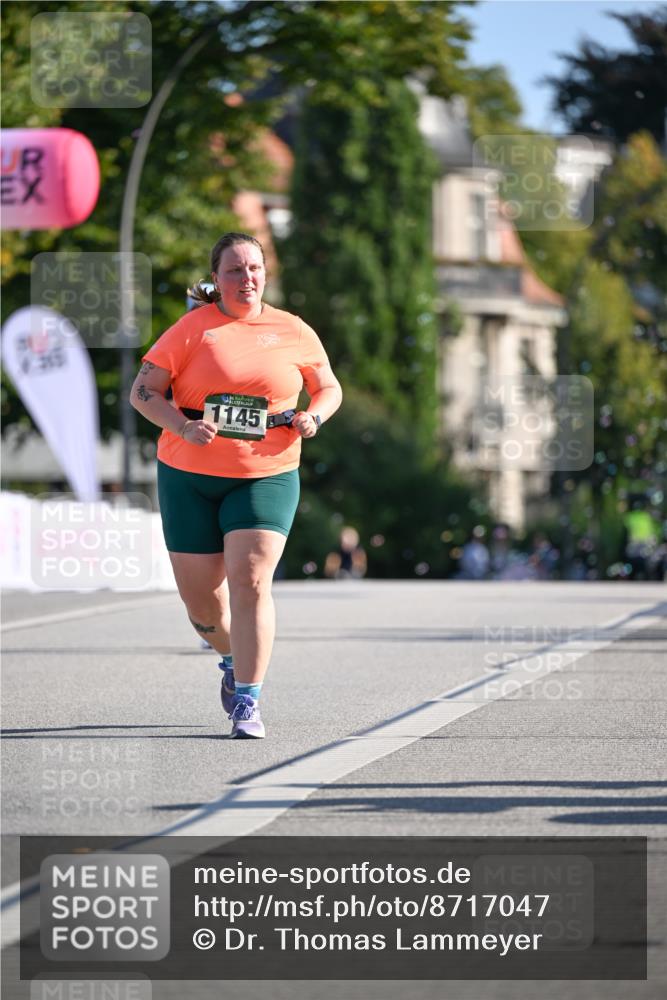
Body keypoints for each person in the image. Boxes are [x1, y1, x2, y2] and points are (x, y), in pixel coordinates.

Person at [130, 232, 342, 738]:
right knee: (201, 603)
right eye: (234, 270)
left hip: (265, 474)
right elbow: (143, 391)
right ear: (216, 279)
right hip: (188, 476)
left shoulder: (293, 330)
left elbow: (328, 387)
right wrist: (181, 426)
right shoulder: (190, 329)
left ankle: (247, 699)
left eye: (254, 269)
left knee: (249, 582)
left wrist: (314, 416)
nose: (246, 278)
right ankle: (227, 655)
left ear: (265, 274)